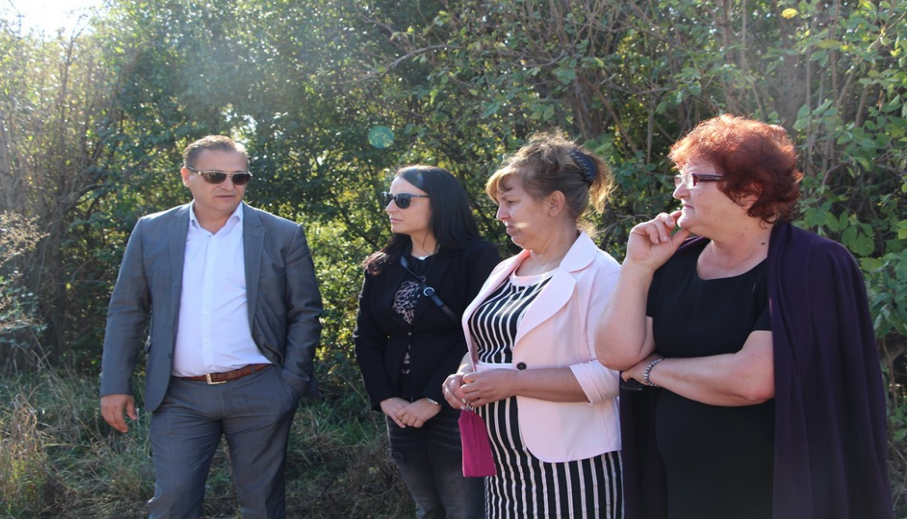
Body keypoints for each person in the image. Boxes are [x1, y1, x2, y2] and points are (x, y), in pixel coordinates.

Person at [595, 115, 893, 519]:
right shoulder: (674, 264)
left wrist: (651, 370)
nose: (678, 191)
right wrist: (638, 266)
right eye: (680, 177)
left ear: (750, 192)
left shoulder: (810, 264)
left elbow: (752, 381)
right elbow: (616, 354)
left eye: (694, 179)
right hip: (681, 493)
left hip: (778, 496)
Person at [99, 135, 323, 518]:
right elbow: (127, 311)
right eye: (215, 175)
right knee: (173, 502)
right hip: (178, 397)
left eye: (240, 177)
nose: (228, 185)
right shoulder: (151, 231)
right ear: (187, 176)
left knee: (263, 506)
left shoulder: (282, 234)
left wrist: (290, 384)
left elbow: (305, 313)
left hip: (260, 390)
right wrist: (115, 385)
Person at [441, 132, 623, 519]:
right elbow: (486, 345)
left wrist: (513, 382)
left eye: (510, 202)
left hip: (573, 470)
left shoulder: (603, 274)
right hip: (503, 469)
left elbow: (612, 375)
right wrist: (463, 375)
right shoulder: (506, 270)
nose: (500, 215)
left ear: (554, 203)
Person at [353, 165, 499, 518]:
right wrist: (385, 398)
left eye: (403, 200)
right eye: (389, 198)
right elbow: (367, 336)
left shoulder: (477, 257)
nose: (390, 208)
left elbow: (477, 333)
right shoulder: (382, 266)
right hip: (399, 406)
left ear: (440, 204)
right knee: (427, 509)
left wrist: (434, 398)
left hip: (457, 401)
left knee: (465, 511)